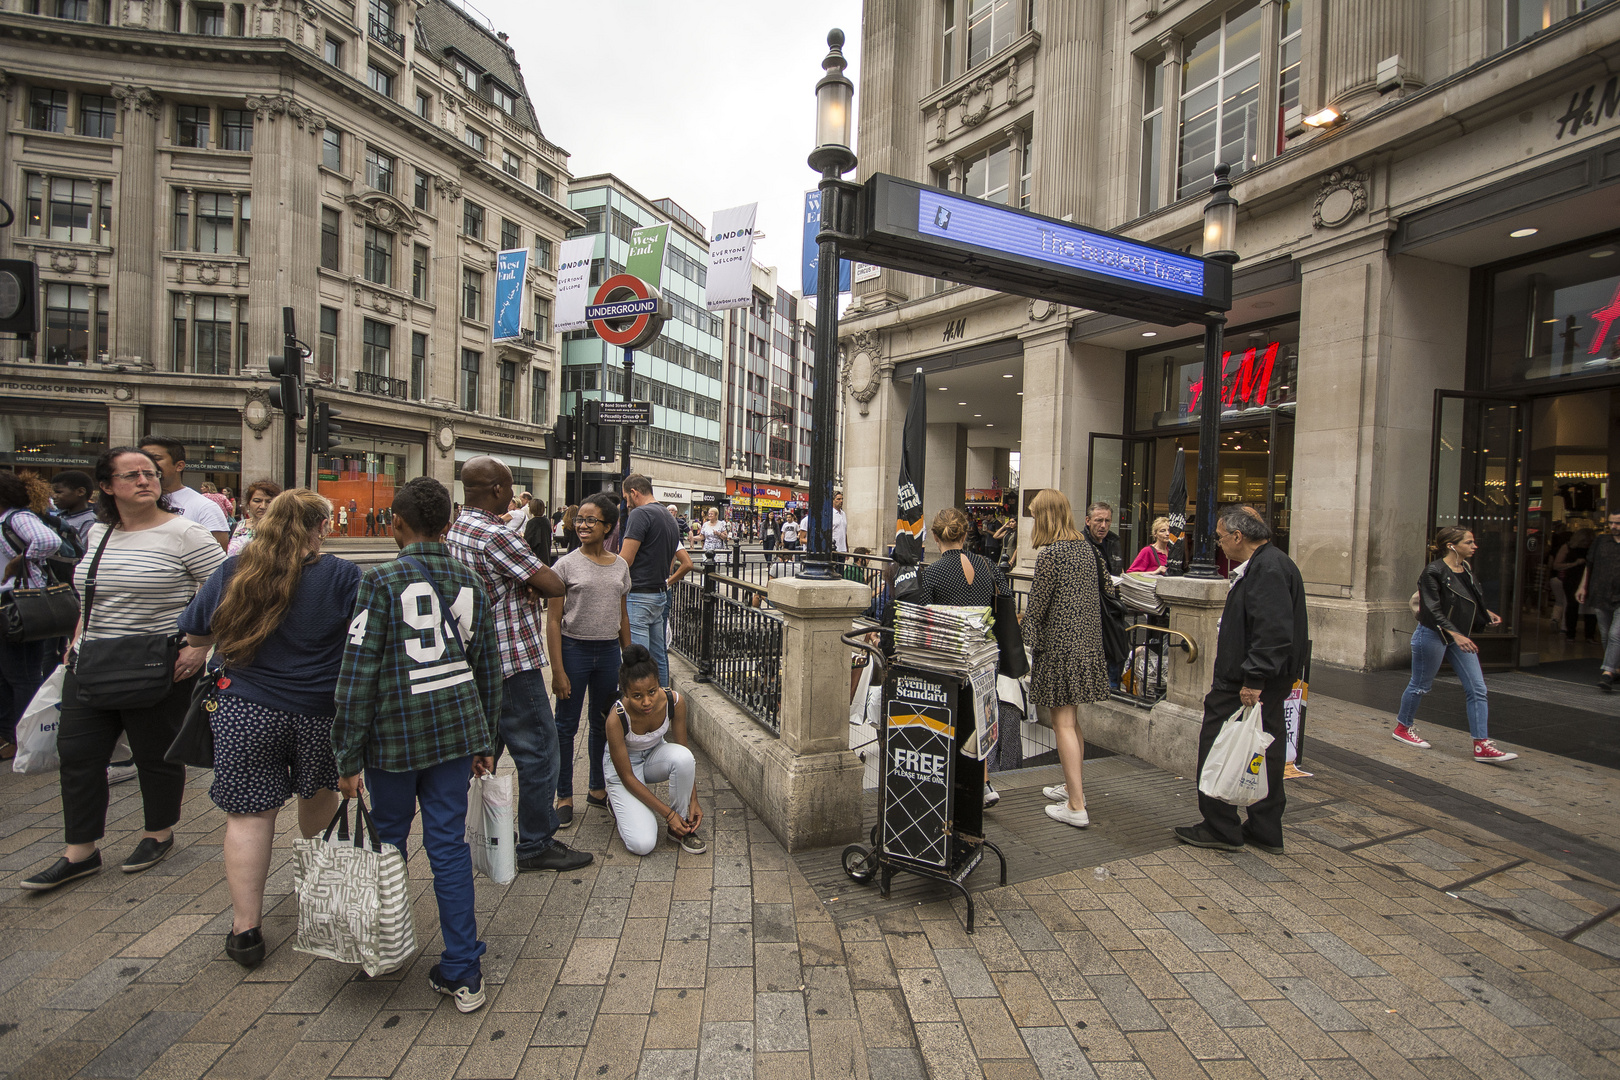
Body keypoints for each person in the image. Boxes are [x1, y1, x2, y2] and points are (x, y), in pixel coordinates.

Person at [21, 447, 225, 891]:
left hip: (156, 659)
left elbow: (224, 593)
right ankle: (80, 850)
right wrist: (76, 640)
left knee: (155, 753)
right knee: (78, 757)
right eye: (131, 475)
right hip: (92, 659)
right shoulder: (99, 533)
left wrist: (198, 646)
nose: (144, 480)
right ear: (108, 486)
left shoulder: (186, 534)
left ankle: (158, 832)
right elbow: (90, 595)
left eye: (149, 473)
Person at [332, 477, 501, 1012]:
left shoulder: (380, 581)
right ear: (449, 523)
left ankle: (378, 947)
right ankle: (463, 968)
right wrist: (487, 741)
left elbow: (357, 674)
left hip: (393, 739)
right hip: (454, 735)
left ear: (396, 524)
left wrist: (347, 754)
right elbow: (487, 671)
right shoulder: (472, 580)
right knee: (447, 845)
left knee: (387, 840)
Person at [177, 489, 359, 967]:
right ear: (321, 526)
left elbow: (196, 631)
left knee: (249, 817)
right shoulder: (342, 576)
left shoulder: (234, 570)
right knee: (318, 797)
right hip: (320, 709)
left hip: (245, 707)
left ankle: (246, 929)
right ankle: (319, 905)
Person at [446, 457, 589, 872]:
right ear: (495, 490)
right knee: (541, 752)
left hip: (479, 658)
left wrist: (520, 583)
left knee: (485, 751)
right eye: (509, 487)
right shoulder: (495, 535)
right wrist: (528, 583)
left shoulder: (459, 528)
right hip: (511, 659)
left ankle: (467, 830)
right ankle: (535, 843)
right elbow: (554, 583)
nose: (514, 494)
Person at [1174, 510, 1309, 855]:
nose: (1219, 544)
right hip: (1262, 680)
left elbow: (1273, 629)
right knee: (1264, 752)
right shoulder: (1272, 564)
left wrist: (1253, 678)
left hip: (1245, 683)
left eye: (1220, 537)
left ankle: (1220, 826)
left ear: (1237, 536)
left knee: (1219, 745)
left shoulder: (1268, 568)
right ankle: (1264, 827)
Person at [1020, 490, 1112, 828]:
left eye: (1034, 515)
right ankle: (1075, 790)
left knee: (1063, 725)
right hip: (1086, 646)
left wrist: (1024, 647)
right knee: (1071, 723)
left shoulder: (1052, 554)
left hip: (1060, 650)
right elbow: (1110, 591)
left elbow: (1037, 608)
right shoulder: (1087, 549)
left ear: (1045, 517)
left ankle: (1075, 806)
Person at [1394, 527, 1518, 762]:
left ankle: (1481, 744)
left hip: (1457, 636)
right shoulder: (1433, 571)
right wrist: (1457, 635)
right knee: (1420, 685)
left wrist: (1485, 613)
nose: (1475, 546)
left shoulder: (1465, 569)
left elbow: (1469, 599)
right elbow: (1432, 609)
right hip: (1432, 634)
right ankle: (1402, 728)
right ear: (1452, 545)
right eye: (1469, 542)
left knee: (1477, 689)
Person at [547, 493, 631, 826]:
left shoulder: (621, 565)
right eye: (579, 519)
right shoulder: (565, 565)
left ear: (608, 526)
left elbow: (622, 615)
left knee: (602, 724)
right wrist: (557, 670)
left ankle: (597, 788)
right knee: (565, 727)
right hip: (574, 651)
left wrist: (629, 658)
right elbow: (553, 620)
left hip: (609, 652)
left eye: (590, 520)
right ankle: (563, 795)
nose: (582, 525)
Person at [914, 507, 1007, 808]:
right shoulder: (987, 565)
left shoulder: (931, 574)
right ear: (966, 534)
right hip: (983, 659)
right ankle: (983, 784)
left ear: (935, 537)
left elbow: (925, 622)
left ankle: (947, 788)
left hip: (949, 662)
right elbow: (1003, 599)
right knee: (979, 720)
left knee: (949, 723)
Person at [603, 644, 705, 855]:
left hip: (653, 757)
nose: (647, 702)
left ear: (659, 682)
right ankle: (616, 801)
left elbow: (684, 751)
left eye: (651, 691)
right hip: (624, 771)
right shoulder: (616, 718)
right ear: (626, 692)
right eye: (637, 696)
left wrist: (693, 800)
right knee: (643, 844)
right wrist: (667, 813)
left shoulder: (674, 702)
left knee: (684, 758)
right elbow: (628, 777)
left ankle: (679, 829)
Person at [1, 470, 64, 759]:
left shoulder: (18, 517)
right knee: (7, 674)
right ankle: (9, 735)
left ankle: (25, 738)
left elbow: (48, 541)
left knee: (22, 674)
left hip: (21, 606)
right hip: (8, 604)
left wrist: (19, 563)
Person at [618, 474, 682, 687]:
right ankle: (663, 704)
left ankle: (641, 713)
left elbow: (625, 560)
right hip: (659, 594)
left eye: (627, 497)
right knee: (659, 657)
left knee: (639, 660)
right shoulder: (668, 516)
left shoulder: (640, 514)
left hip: (638, 595)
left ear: (634, 493)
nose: (626, 503)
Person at [139, 436, 230, 548]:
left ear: (179, 466)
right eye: (144, 459)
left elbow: (218, 559)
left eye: (156, 458)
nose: (149, 465)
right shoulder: (130, 504)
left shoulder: (205, 507)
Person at [1578, 510, 1620, 691]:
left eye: (1617, 523)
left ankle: (1607, 673)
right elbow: (1589, 565)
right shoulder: (1601, 541)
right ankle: (1616, 668)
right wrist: (1583, 587)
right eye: (1610, 523)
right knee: (1605, 635)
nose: (1613, 527)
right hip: (1601, 593)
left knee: (1615, 635)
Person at [227, 479, 282, 557]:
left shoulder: (284, 530)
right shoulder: (233, 528)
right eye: (257, 501)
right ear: (248, 503)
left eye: (269, 502)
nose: (263, 506)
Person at [50, 470, 98, 547]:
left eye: (58, 492)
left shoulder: (89, 522)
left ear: (80, 492)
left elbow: (81, 552)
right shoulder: (59, 517)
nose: (53, 496)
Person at [1084, 502, 1123, 575]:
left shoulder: (1114, 542)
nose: (1103, 525)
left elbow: (1118, 570)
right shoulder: (1080, 543)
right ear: (1088, 521)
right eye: (1099, 520)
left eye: (1107, 521)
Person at [523, 499, 553, 565]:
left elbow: (528, 541)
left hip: (535, 557)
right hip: (546, 554)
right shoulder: (546, 521)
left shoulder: (532, 523)